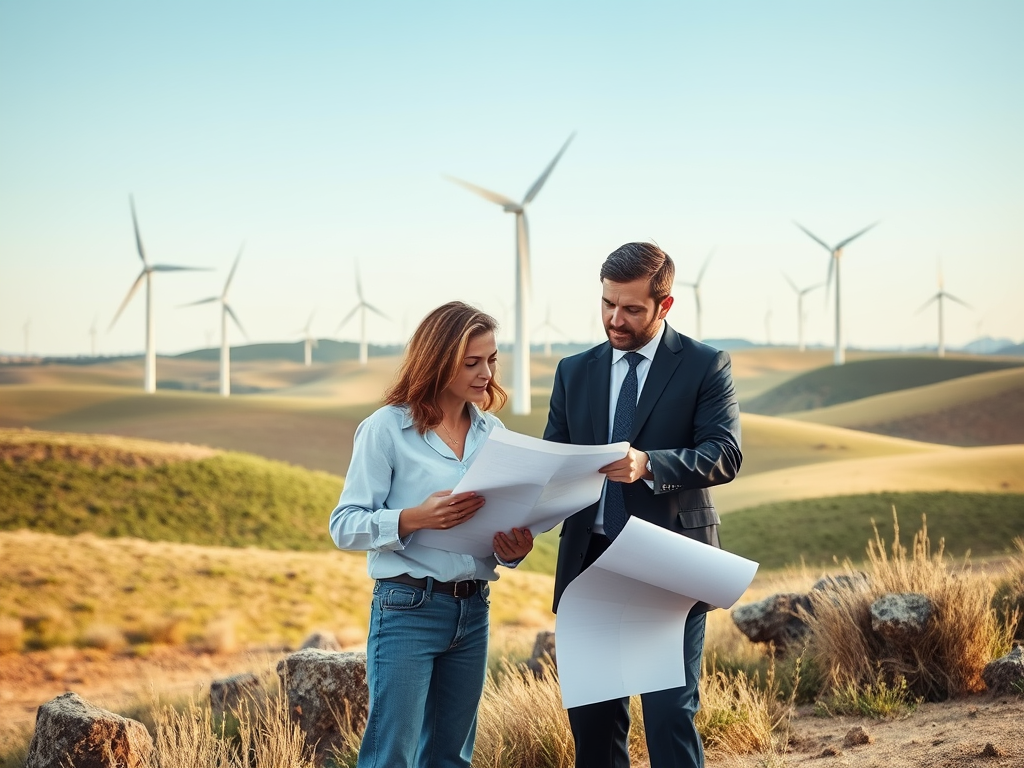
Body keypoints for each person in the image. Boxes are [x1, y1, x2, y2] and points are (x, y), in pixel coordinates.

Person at [544, 242, 742, 768]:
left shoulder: (704, 364)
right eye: (608, 303)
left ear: (666, 305)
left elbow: (724, 454)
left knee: (669, 722)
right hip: (590, 565)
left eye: (631, 308)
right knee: (593, 728)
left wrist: (649, 464)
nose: (615, 318)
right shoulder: (573, 371)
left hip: (670, 563)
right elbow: (554, 466)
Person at [329, 301, 534, 768]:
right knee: (391, 757)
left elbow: (496, 525)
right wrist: (413, 518)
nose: (486, 373)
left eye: (492, 360)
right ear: (439, 360)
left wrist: (514, 549)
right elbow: (343, 525)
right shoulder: (386, 428)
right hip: (407, 609)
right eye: (472, 362)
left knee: (451, 758)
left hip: (473, 609)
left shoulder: (493, 432)